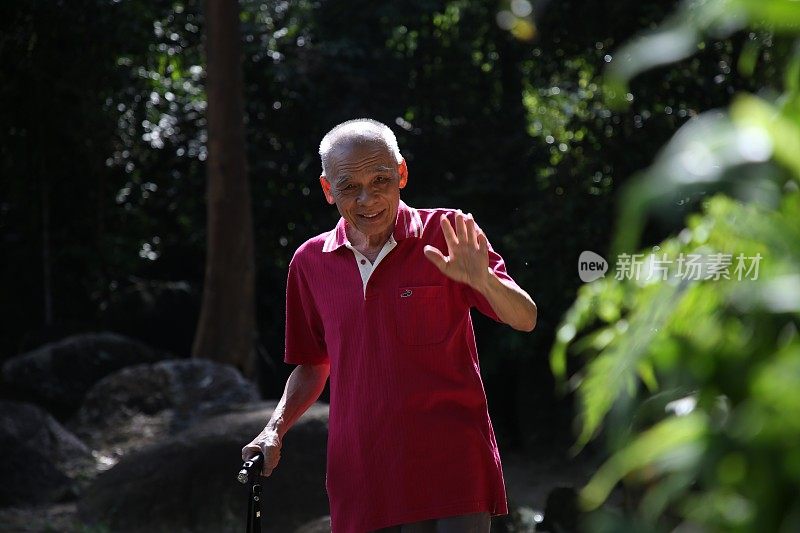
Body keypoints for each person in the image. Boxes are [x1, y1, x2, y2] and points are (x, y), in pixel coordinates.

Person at [242, 118, 537, 533]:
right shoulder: (309, 263)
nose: (368, 198)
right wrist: (274, 429)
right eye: (349, 186)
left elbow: (526, 318)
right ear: (328, 190)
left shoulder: (448, 232)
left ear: (401, 173)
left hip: (452, 463)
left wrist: (483, 279)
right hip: (363, 471)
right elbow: (312, 364)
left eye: (381, 178)